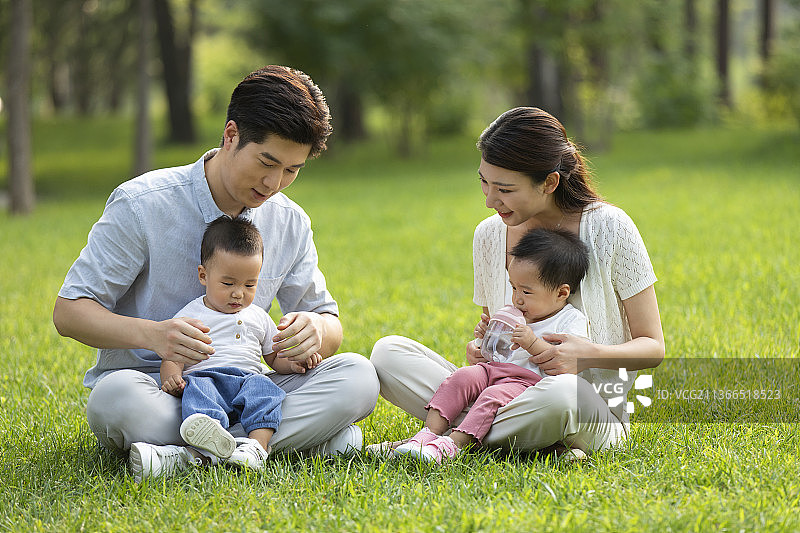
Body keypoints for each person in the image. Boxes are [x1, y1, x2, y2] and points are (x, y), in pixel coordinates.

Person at [53, 65, 379, 480]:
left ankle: (187, 456)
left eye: (292, 170)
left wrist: (316, 328)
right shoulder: (142, 204)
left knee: (358, 376)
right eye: (267, 162)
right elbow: (69, 312)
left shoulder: (290, 222)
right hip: (158, 390)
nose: (274, 183)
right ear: (230, 135)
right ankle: (284, 442)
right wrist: (154, 335)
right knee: (112, 398)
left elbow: (328, 321)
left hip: (248, 389)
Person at [371, 106, 665, 457]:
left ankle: (452, 439)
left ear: (550, 182)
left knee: (562, 395)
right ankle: (507, 442)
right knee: (388, 353)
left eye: (505, 189)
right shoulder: (489, 236)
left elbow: (653, 347)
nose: (490, 200)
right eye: (484, 182)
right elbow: (497, 335)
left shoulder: (611, 228)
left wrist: (589, 355)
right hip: (504, 393)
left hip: (586, 408)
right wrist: (480, 351)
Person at [134, 217, 313, 478]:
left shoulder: (258, 316)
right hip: (208, 376)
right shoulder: (192, 315)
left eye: (250, 285)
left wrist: (294, 363)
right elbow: (174, 355)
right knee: (200, 394)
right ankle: (209, 439)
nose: (239, 293)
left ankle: (256, 448)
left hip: (250, 378)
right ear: (204, 275)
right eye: (228, 284)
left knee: (267, 392)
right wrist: (171, 378)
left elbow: (274, 357)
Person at [393, 228, 590, 463]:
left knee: (491, 395)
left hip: (529, 383)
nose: (517, 298)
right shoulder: (518, 311)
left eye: (526, 291)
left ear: (561, 292)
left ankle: (452, 446)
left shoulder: (570, 320)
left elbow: (565, 364)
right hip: (494, 371)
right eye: (514, 287)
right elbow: (497, 352)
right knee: (462, 377)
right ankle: (428, 434)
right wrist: (484, 339)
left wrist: (532, 342)